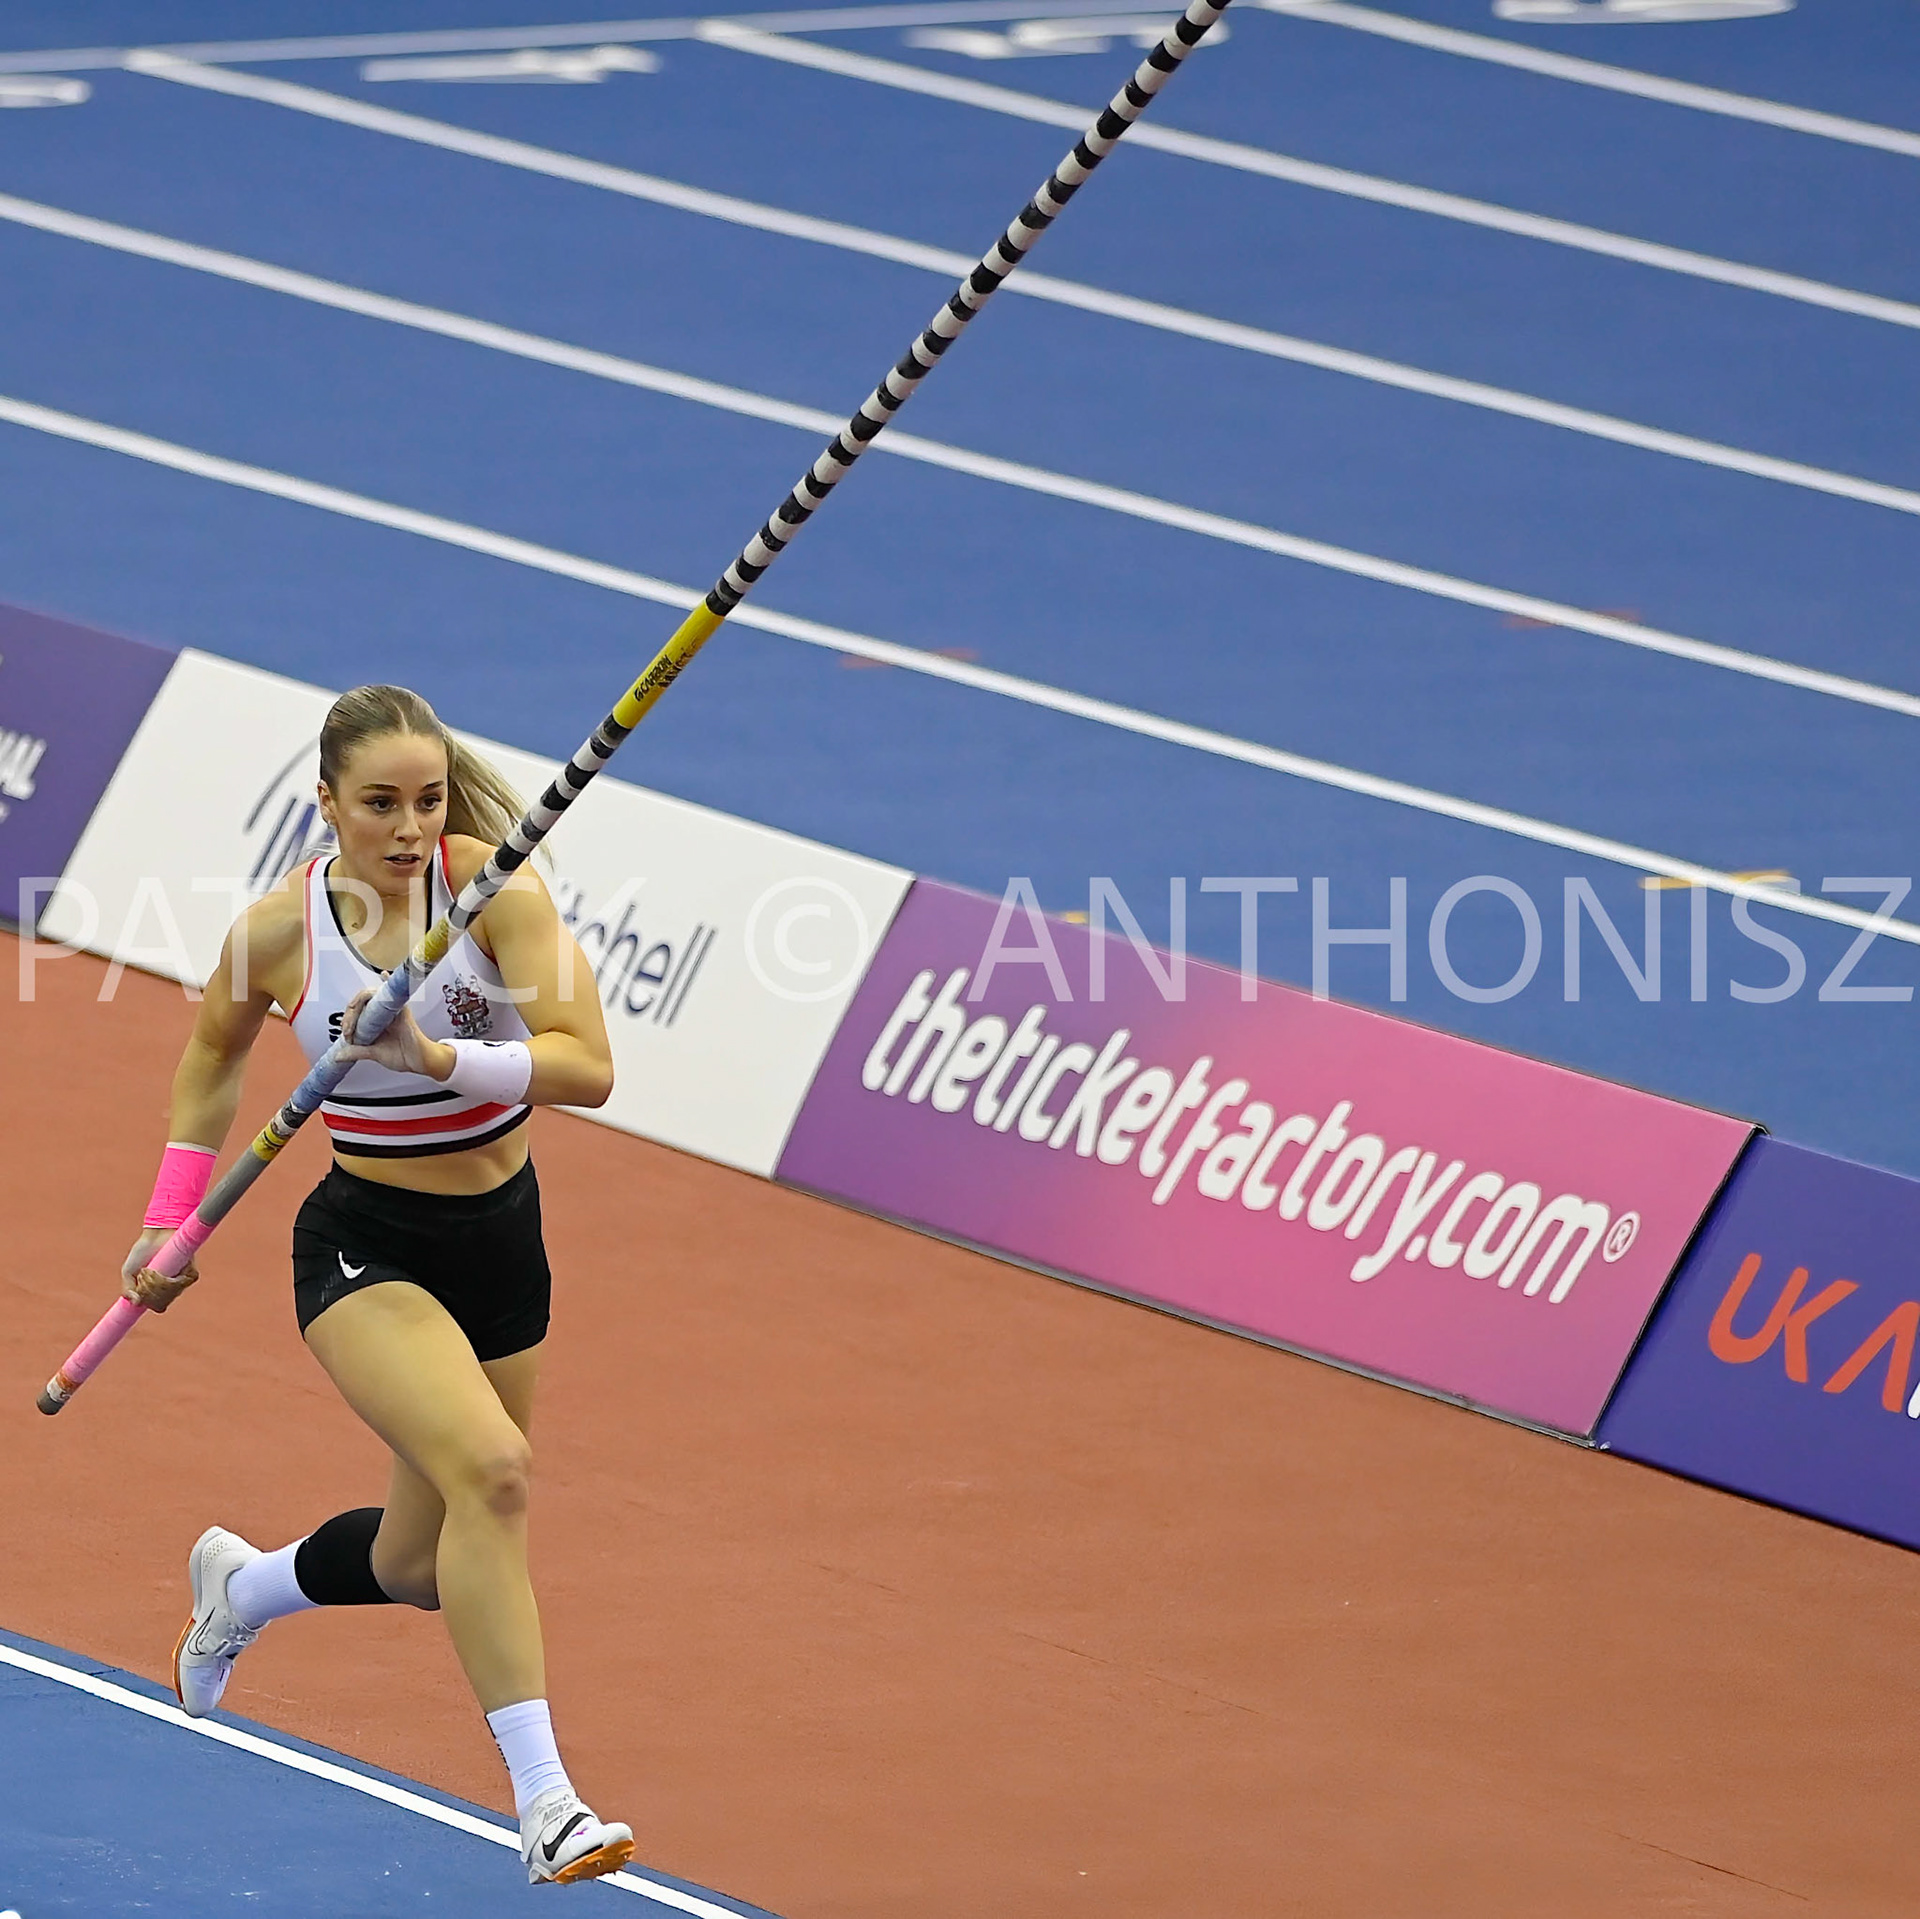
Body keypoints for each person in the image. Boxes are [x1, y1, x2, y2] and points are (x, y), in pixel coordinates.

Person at [120, 684, 633, 1888]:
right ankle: (547, 1800)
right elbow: (210, 1053)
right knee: (496, 1474)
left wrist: (433, 1052)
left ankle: (239, 1584)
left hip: (503, 1245)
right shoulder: (280, 933)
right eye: (380, 804)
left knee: (418, 1560)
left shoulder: (494, 893)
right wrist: (168, 1216)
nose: (410, 828)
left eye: (429, 799)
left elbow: (589, 1065)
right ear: (326, 803)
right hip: (366, 1246)